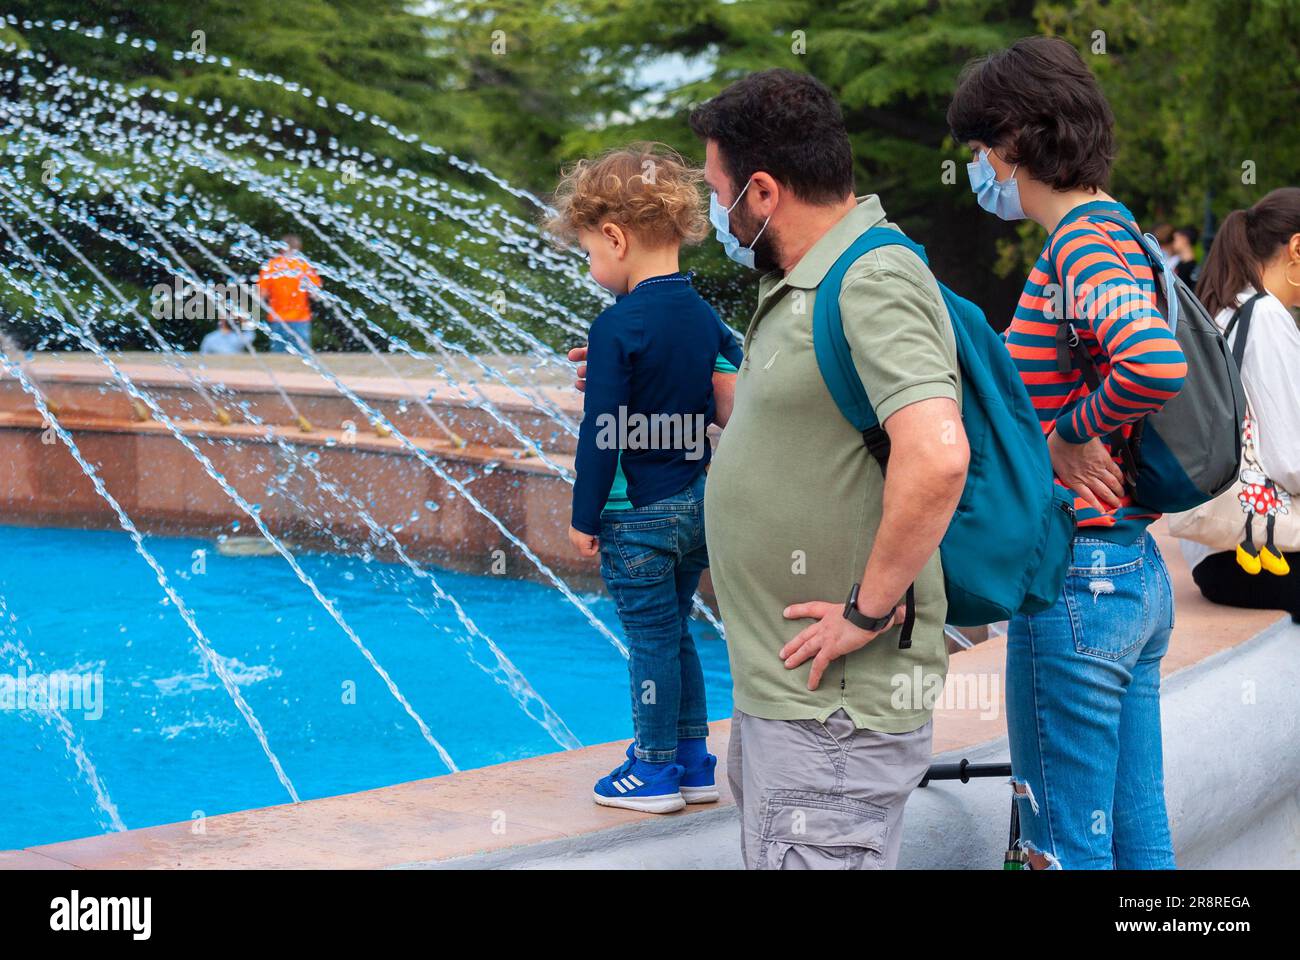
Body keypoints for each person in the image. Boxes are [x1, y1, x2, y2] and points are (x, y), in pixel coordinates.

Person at [690, 69, 968, 869]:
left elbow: (939, 455)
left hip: (835, 716)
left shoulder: (870, 279)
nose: (717, 213)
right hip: (799, 704)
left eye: (719, 191)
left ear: (764, 191)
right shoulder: (804, 280)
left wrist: (869, 610)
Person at [949, 35, 1187, 869]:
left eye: (981, 150)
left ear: (1015, 143)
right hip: (1129, 575)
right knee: (1135, 836)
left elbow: (1154, 362)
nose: (980, 170)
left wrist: (1068, 433)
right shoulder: (1119, 230)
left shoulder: (1082, 240)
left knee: (1059, 847)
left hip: (1078, 578)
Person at [546, 144, 743, 813]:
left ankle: (654, 769)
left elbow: (602, 433)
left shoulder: (615, 326)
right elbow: (734, 367)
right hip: (696, 503)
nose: (594, 267)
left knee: (650, 640)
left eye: (591, 254)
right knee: (679, 631)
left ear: (615, 237)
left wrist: (582, 515)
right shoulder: (702, 313)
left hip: (636, 516)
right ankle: (693, 759)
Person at [1181, 188, 1300, 618]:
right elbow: (1290, 461)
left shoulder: (1228, 310)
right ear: (1297, 248)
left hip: (1222, 548)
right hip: (1255, 552)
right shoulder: (1266, 317)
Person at [258, 235, 320, 353]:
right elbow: (315, 294)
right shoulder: (304, 266)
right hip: (300, 318)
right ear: (298, 248)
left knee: (278, 358)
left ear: (281, 248)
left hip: (277, 318)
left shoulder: (271, 266)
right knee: (303, 357)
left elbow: (261, 294)